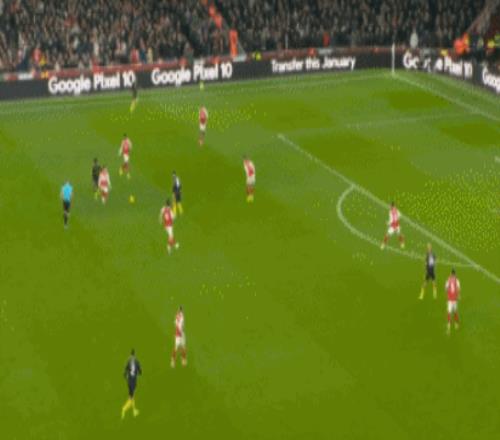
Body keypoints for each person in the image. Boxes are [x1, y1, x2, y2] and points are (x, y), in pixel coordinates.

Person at [121, 349, 142, 419]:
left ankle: (134, 411)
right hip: (133, 381)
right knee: (131, 397)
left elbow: (126, 368)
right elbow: (139, 369)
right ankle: (124, 409)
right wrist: (140, 372)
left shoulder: (129, 360)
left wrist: (125, 375)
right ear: (134, 354)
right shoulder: (136, 360)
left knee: (132, 396)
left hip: (129, 380)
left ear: (131, 354)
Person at [446, 269, 460, 334]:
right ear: (455, 274)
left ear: (451, 274)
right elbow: (458, 288)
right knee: (455, 311)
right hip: (454, 299)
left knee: (449, 312)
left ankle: (449, 325)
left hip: (450, 299)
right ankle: (456, 324)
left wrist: (448, 294)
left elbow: (446, 288)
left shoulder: (448, 280)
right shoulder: (457, 280)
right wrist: (458, 295)